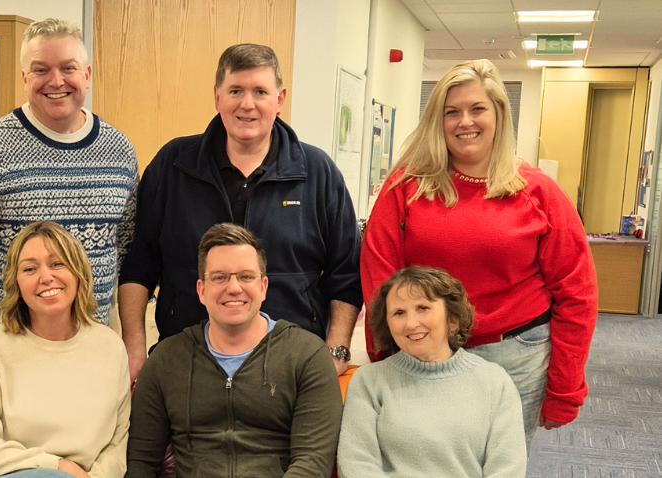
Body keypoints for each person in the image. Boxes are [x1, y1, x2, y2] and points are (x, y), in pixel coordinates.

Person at [361, 59, 597, 447]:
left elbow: (577, 294)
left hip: (515, 357)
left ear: (499, 114)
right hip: (423, 350)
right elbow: (379, 275)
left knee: (496, 466)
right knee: (420, 461)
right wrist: (386, 353)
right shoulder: (406, 185)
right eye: (451, 112)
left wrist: (565, 387)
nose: (464, 121)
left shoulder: (538, 192)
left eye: (477, 109)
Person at [118, 43, 361, 382]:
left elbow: (346, 274)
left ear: (279, 99)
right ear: (218, 97)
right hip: (185, 364)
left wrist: (335, 352)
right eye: (235, 90)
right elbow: (139, 264)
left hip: (291, 367)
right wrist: (134, 350)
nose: (247, 104)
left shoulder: (318, 172)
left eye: (260, 91)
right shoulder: (173, 165)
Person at [0, 18, 138, 375]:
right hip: (9, 340)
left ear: (87, 75)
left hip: (91, 342)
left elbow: (128, 247)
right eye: (41, 69)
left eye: (68, 68)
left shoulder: (118, 149)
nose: (56, 81)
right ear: (25, 78)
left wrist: (129, 338)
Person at [126, 223, 342, 478]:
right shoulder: (165, 361)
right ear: (201, 290)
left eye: (245, 276)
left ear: (263, 287)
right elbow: (140, 464)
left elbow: (312, 462)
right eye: (219, 277)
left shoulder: (307, 356)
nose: (234, 287)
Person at [0, 221, 130, 478]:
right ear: (16, 284)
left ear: (78, 272)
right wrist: (58, 467)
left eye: (57, 264)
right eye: (30, 268)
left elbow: (117, 445)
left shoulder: (110, 347)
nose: (46, 277)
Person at [338, 266, 526, 477]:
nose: (411, 323)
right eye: (399, 313)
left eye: (423, 308)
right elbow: (356, 462)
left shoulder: (494, 381)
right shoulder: (368, 381)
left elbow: (508, 468)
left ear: (452, 320)